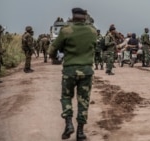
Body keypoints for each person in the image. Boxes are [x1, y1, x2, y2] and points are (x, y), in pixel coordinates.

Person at [48, 7, 97, 140]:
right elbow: (94, 48)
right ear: (85, 17)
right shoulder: (93, 31)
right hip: (86, 71)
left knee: (66, 97)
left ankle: (69, 124)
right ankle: (80, 132)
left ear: (73, 17)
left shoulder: (66, 30)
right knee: (84, 100)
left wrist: (54, 57)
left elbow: (52, 50)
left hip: (69, 70)